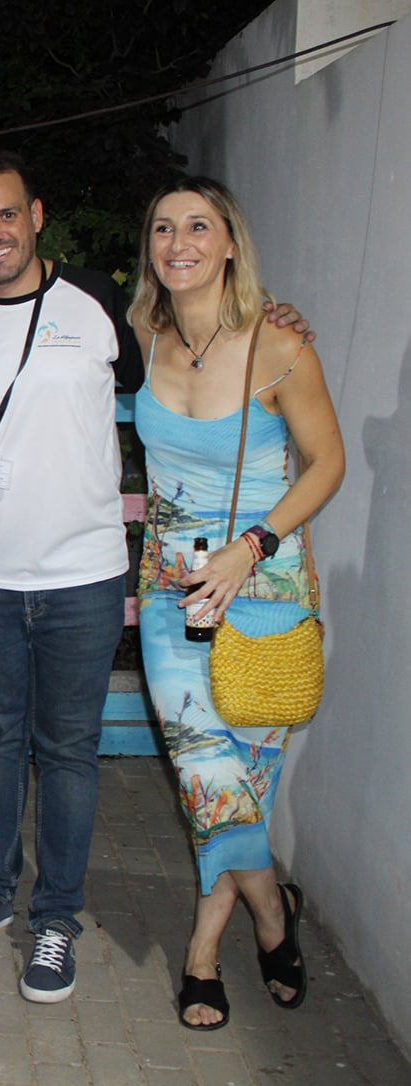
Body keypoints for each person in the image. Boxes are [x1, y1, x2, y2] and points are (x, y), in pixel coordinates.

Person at [0, 149, 309, 1003]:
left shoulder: (97, 302)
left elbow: (199, 351)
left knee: (65, 752)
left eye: (7, 214)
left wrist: (271, 321)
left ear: (36, 216)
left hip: (86, 576)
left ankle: (55, 918)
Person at [128, 178, 342, 1030]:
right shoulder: (142, 331)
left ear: (228, 244)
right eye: (161, 228)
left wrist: (249, 544)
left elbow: (325, 464)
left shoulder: (279, 346)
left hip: (262, 595)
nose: (177, 242)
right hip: (169, 597)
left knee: (239, 783)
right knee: (205, 781)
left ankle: (202, 954)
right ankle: (271, 915)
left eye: (197, 227)